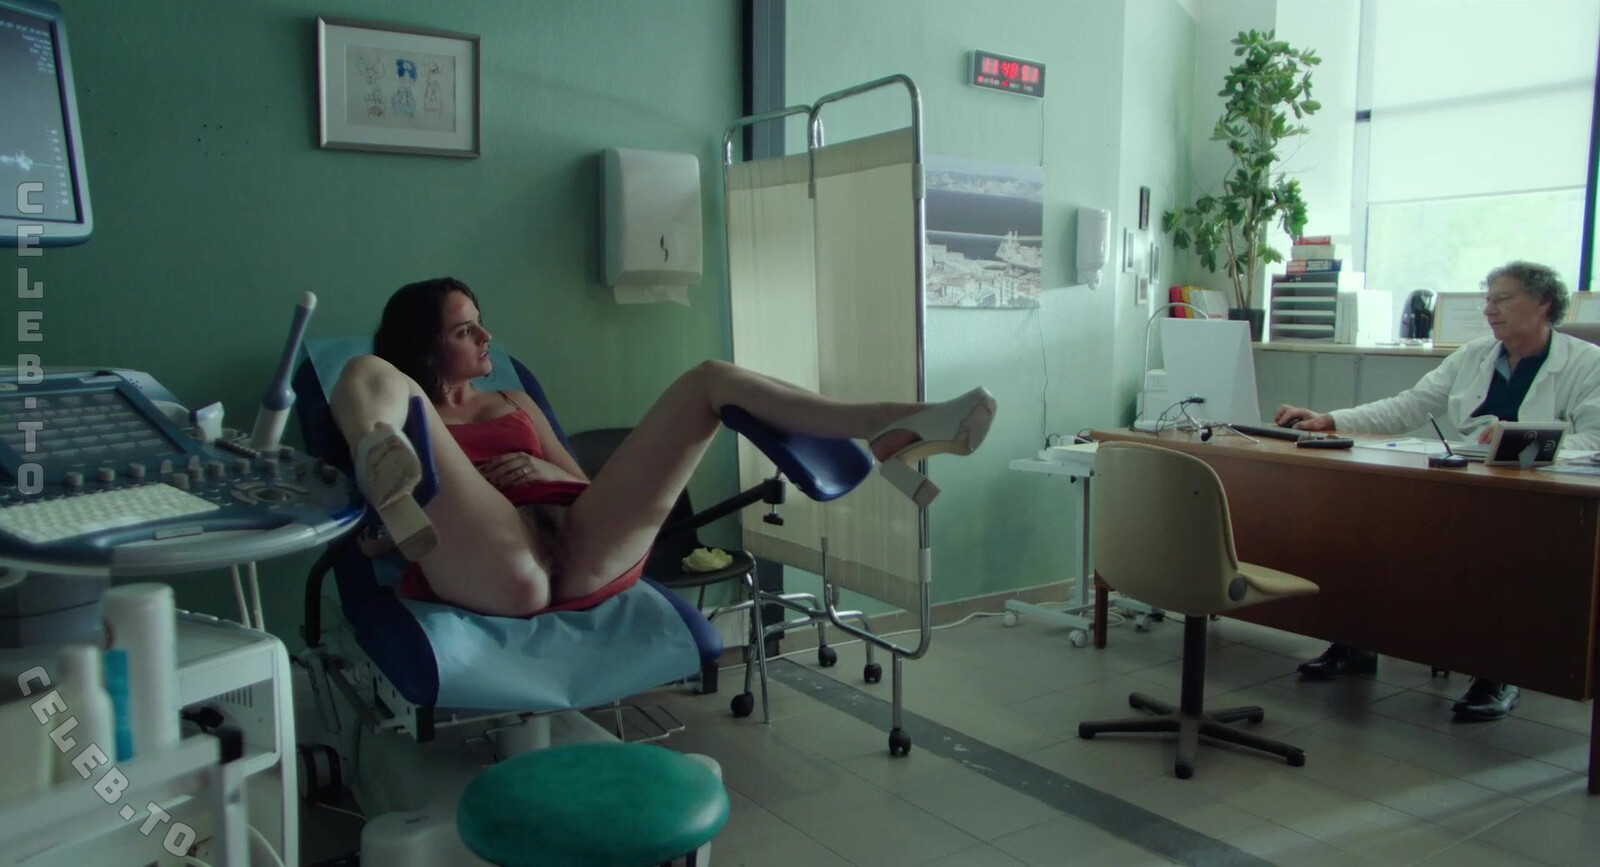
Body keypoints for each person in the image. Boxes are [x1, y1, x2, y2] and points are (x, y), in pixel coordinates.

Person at [331, 277, 998, 618]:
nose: (487, 339)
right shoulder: (418, 408)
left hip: (584, 545)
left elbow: (585, 488)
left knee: (709, 378)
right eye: (465, 331)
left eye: (482, 325)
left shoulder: (513, 398)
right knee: (366, 374)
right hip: (498, 560)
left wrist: (538, 464)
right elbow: (372, 546)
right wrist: (413, 513)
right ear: (426, 347)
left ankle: (890, 422)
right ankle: (382, 467)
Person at [1274, 261, 1600, 721]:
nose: (1489, 310)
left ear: (1543, 303)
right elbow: (1408, 407)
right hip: (1468, 483)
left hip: (1543, 499)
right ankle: (1358, 640)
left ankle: (1497, 671)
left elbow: (1594, 440)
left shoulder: (1587, 364)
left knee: (1498, 551)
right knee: (1369, 526)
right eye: (1487, 300)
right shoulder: (1474, 356)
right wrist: (1332, 419)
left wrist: (1522, 439)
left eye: (1502, 299)